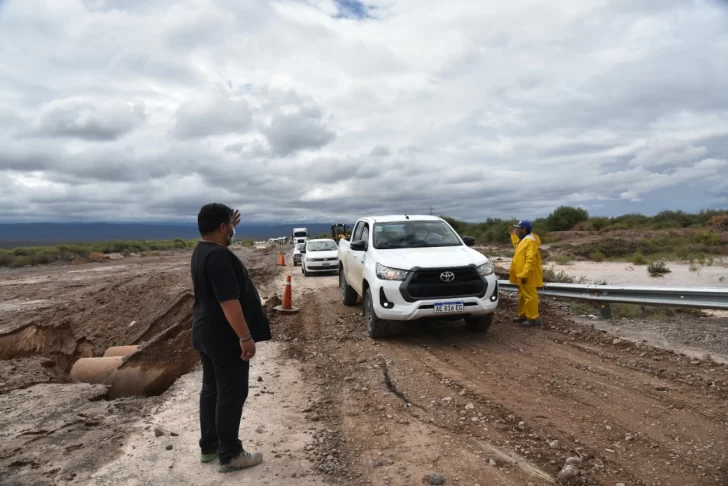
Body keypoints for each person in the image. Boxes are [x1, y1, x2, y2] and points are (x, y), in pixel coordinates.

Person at [191, 203, 272, 473]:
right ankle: (231, 454)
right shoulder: (220, 257)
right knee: (232, 391)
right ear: (223, 227)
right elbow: (229, 301)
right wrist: (245, 336)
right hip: (225, 337)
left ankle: (210, 446)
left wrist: (229, 225)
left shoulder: (202, 251)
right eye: (230, 225)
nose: (233, 230)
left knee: (211, 390)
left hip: (206, 333)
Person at [508, 220, 543, 327]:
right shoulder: (524, 240)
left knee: (530, 296)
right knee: (523, 296)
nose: (517, 230)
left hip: (527, 275)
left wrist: (525, 274)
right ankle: (523, 315)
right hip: (521, 274)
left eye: (518, 228)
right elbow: (517, 246)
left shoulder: (530, 241)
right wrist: (513, 235)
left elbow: (530, 259)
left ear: (524, 229)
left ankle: (533, 318)